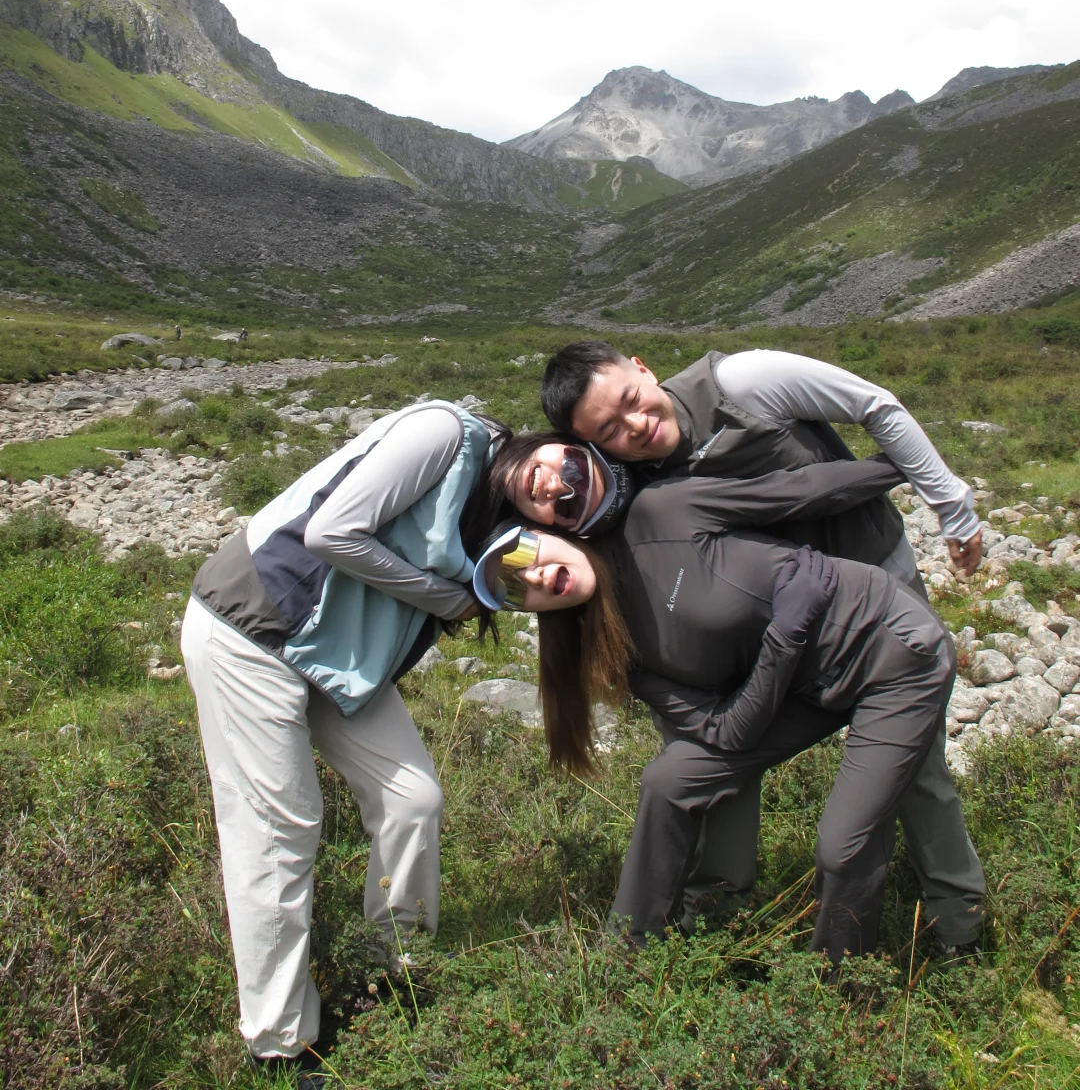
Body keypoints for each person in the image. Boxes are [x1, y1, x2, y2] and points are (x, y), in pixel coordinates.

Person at [538, 342, 986, 955]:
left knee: (919, 769)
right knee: (700, 762)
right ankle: (717, 910)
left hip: (873, 589)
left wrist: (951, 505)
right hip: (782, 629)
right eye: (609, 431)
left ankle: (957, 928)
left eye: (632, 401)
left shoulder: (744, 382)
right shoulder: (637, 482)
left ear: (642, 368)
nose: (636, 427)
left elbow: (874, 406)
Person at [472, 441, 958, 963]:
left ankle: (845, 997)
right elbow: (727, 734)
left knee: (842, 848)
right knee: (670, 779)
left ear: (551, 533)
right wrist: (785, 638)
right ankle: (627, 955)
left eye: (524, 555)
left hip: (891, 651)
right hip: (802, 686)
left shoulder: (662, 514)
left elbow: (797, 493)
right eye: (513, 589)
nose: (535, 577)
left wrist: (910, 464)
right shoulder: (616, 652)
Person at [181, 400, 501, 1079]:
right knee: (277, 829)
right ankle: (280, 1042)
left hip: (335, 655)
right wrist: (449, 600)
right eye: (563, 463)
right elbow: (333, 533)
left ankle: (392, 975)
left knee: (413, 799)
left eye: (575, 502)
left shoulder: (501, 525)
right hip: (253, 628)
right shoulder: (445, 433)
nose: (558, 489)